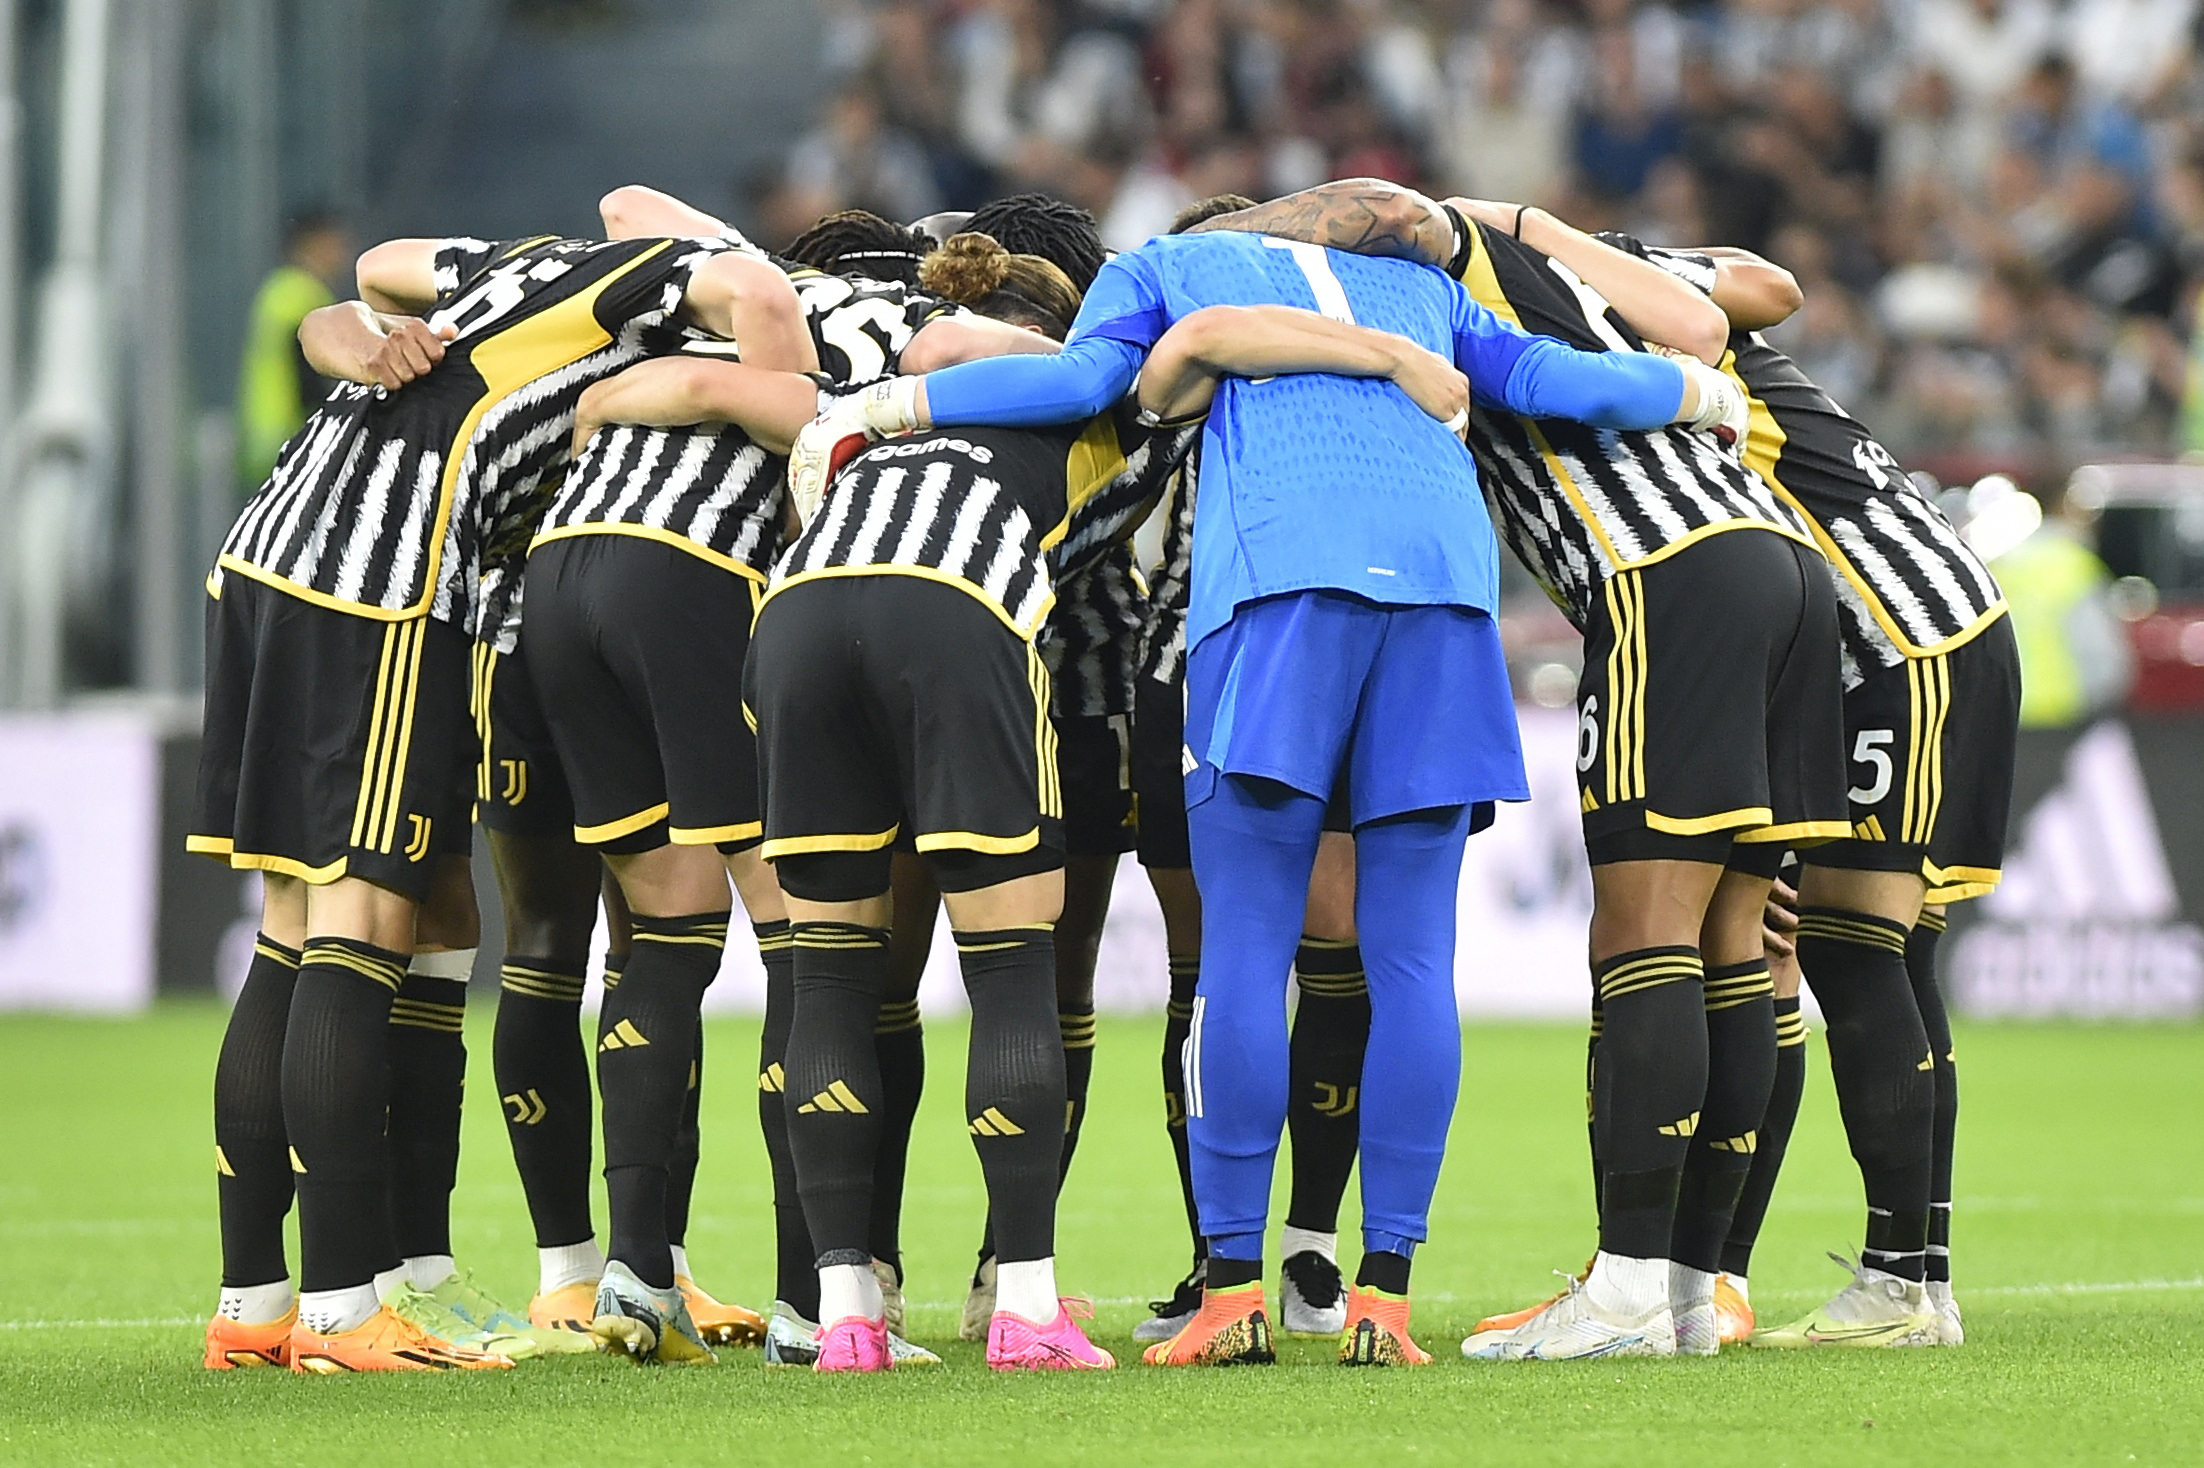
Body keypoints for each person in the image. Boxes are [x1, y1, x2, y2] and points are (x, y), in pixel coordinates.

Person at [792, 205, 1750, 1368]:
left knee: (1243, 953)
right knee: (1409, 960)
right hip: (1445, 595)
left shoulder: (1157, 266)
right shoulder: (1424, 290)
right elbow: (1560, 379)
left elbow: (1074, 385)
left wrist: (890, 406)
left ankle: (1231, 1288)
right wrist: (1700, 395)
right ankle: (1383, 1296)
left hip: (1277, 588)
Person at [1191, 181, 1847, 1361]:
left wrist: (1226, 243)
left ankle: (1631, 1286)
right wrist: (1685, 368)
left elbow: (1381, 208)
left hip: (1664, 569)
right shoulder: (1605, 284)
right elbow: (1745, 297)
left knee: (1643, 935)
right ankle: (1697, 1291)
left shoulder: (1449, 271)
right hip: (1785, 561)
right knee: (1738, 940)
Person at [191, 227, 792, 1373]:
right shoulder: (646, 285)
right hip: (376, 580)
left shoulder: (501, 266)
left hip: (268, 551)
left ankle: (258, 1300)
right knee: (359, 920)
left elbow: (369, 273)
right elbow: (748, 284)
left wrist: (355, 336)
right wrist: (793, 383)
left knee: (288, 920)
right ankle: (337, 1309)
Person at [1601, 229, 2020, 1349]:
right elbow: (1766, 280)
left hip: (1894, 639)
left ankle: (1897, 1284)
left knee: (1843, 947)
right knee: (1889, 951)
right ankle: (1914, 1275)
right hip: (1941, 622)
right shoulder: (1701, 319)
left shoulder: (1656, 330)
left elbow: (1762, 284)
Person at [234, 212, 352, 496]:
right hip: (293, 439)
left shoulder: (277, 290)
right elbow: (311, 377)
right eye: (335, 244)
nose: (344, 253)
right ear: (312, 244)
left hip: (262, 443)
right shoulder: (304, 295)